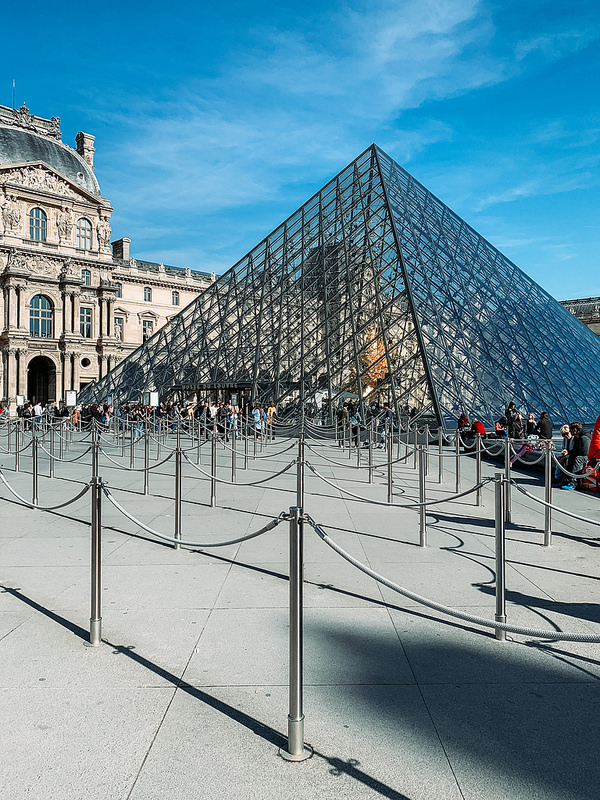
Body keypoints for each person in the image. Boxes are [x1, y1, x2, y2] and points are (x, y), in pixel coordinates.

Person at [560, 422, 591, 490]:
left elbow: (585, 452)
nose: (570, 432)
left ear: (575, 430)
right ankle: (567, 479)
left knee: (578, 459)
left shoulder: (584, 438)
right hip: (581, 455)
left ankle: (574, 482)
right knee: (570, 458)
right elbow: (575, 449)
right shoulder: (577, 437)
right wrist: (568, 452)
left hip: (587, 457)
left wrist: (572, 453)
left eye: (570, 430)